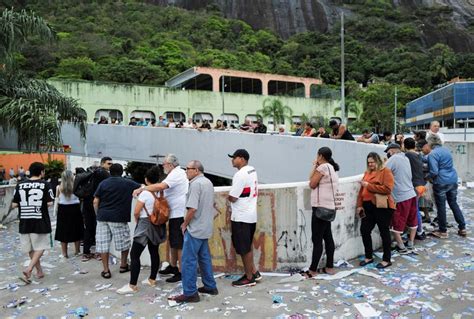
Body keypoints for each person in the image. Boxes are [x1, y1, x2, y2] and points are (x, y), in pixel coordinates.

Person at [133, 154, 189, 283]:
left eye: (164, 164)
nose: (163, 166)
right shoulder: (175, 173)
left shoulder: (176, 173)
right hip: (173, 213)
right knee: (174, 243)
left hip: (178, 213)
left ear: (170, 164)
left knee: (178, 244)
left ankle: (181, 272)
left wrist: (142, 189)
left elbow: (161, 187)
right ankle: (173, 267)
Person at [168, 160, 218, 303]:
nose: (185, 171)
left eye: (188, 169)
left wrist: (184, 224)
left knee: (188, 261)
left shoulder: (195, 184)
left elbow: (192, 208)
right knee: (204, 258)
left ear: (196, 170)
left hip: (195, 228)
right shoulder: (208, 182)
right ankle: (210, 286)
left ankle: (190, 293)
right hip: (205, 227)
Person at [117, 167, 166, 294]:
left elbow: (137, 211)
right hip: (156, 224)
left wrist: (137, 220)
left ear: (146, 179)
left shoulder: (145, 193)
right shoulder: (159, 193)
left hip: (145, 224)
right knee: (154, 251)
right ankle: (152, 279)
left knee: (134, 255)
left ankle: (132, 285)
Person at [94, 163, 141, 279]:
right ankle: (123, 265)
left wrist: (98, 214)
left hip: (103, 217)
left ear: (110, 171)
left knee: (103, 244)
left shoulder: (103, 183)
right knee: (124, 242)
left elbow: (95, 201)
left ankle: (106, 270)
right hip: (119, 217)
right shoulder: (127, 183)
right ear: (122, 172)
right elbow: (142, 187)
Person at [11, 162, 54, 283]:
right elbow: (50, 202)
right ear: (41, 172)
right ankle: (30, 268)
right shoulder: (45, 184)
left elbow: (14, 205)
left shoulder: (20, 185)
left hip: (24, 220)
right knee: (40, 247)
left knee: (30, 248)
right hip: (40, 219)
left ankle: (39, 271)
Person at [301, 147, 339, 278]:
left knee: (317, 239)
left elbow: (311, 183)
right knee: (328, 238)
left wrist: (315, 166)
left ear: (321, 156)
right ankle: (329, 266)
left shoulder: (322, 168)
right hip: (329, 207)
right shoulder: (331, 168)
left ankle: (312, 270)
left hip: (320, 208)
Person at [227, 149, 261, 287]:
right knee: (247, 246)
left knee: (243, 248)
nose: (232, 160)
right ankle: (254, 272)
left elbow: (233, 197)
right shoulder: (252, 170)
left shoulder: (240, 174)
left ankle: (249, 277)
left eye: (234, 157)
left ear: (241, 159)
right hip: (250, 215)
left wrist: (229, 197)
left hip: (241, 217)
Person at [357, 152, 395, 269]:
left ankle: (386, 259)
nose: (371, 164)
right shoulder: (367, 172)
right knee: (364, 230)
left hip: (382, 207)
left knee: (384, 232)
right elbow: (361, 191)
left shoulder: (385, 172)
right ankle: (369, 256)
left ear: (377, 161)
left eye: (372, 162)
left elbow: (387, 189)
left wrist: (369, 186)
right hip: (368, 206)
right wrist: (359, 205)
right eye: (369, 162)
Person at [426, 135, 466, 238]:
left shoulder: (432, 154)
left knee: (441, 206)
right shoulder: (446, 150)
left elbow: (434, 171)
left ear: (430, 143)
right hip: (452, 179)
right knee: (453, 203)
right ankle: (462, 227)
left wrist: (427, 177)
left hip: (441, 181)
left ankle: (443, 230)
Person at [385, 143, 418, 253]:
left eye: (388, 152)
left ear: (392, 151)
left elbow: (383, 172)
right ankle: (411, 243)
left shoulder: (393, 158)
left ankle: (401, 247)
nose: (388, 154)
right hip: (411, 194)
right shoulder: (406, 158)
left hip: (400, 196)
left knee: (397, 222)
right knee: (413, 219)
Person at [81, 157, 112, 262]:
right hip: (96, 204)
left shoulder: (94, 172)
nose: (110, 166)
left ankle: (86, 252)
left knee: (89, 228)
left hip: (87, 203)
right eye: (109, 164)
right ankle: (98, 253)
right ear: (103, 163)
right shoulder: (103, 173)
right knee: (97, 229)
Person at [55, 170, 84, 258]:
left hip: (63, 210)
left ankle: (64, 253)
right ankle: (77, 250)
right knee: (76, 228)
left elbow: (57, 199)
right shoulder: (76, 187)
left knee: (63, 230)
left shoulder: (59, 187)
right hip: (75, 209)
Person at [403, 138, 427, 240]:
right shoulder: (419, 155)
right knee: (415, 209)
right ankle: (418, 230)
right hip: (421, 184)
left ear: (404, 146)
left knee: (415, 210)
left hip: (415, 186)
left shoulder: (408, 155)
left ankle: (419, 231)